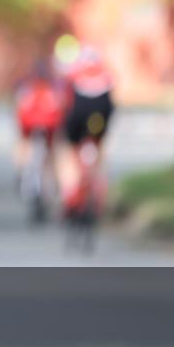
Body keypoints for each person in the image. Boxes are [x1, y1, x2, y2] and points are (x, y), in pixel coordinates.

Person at [59, 45, 115, 219]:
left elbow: (65, 103)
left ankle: (69, 196)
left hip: (78, 117)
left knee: (69, 154)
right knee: (99, 152)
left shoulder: (74, 73)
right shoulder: (106, 75)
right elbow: (111, 106)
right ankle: (99, 196)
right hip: (99, 117)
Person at [13, 56, 67, 200]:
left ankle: (21, 171)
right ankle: (52, 178)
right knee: (52, 150)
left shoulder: (27, 85)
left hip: (30, 124)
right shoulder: (54, 87)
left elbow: (19, 106)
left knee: (24, 144)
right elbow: (61, 108)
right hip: (48, 126)